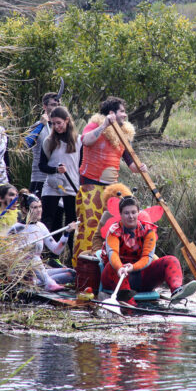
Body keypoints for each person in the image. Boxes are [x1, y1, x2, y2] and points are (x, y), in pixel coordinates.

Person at [73, 96, 147, 267]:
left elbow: (131, 164)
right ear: (112, 113)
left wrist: (140, 168)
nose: (125, 115)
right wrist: (105, 125)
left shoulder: (123, 135)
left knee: (112, 227)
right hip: (90, 186)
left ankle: (111, 264)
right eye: (122, 111)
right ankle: (82, 268)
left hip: (112, 190)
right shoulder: (94, 125)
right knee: (90, 229)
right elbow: (85, 140)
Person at [100, 196, 196, 306]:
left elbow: (147, 257)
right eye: (126, 213)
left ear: (138, 212)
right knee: (111, 267)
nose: (131, 216)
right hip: (117, 275)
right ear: (121, 215)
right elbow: (113, 254)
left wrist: (133, 267)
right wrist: (120, 268)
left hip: (140, 275)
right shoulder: (114, 231)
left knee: (171, 260)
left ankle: (177, 290)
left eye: (133, 212)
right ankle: (129, 304)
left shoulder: (148, 230)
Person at [7, 190, 76, 291]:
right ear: (24, 210)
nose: (39, 210)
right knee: (32, 257)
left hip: (38, 271)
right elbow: (6, 253)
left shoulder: (41, 226)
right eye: (34, 207)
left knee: (71, 273)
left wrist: (66, 233)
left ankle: (40, 283)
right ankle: (47, 283)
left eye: (40, 206)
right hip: (22, 272)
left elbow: (57, 250)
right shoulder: (16, 228)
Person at [38, 106, 81, 261]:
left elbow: (81, 165)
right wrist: (56, 170)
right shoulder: (48, 141)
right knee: (49, 221)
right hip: (52, 186)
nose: (57, 127)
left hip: (71, 187)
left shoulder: (79, 141)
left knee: (71, 223)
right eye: (54, 123)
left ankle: (72, 260)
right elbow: (42, 166)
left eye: (59, 123)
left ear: (67, 121)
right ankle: (48, 258)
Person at [25, 92, 61, 197]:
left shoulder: (61, 128)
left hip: (57, 179)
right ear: (45, 106)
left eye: (58, 105)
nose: (56, 108)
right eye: (53, 105)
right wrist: (41, 125)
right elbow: (27, 143)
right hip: (39, 179)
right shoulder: (37, 126)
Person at [90, 183, 132, 255]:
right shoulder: (107, 216)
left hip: (130, 253)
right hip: (107, 252)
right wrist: (97, 251)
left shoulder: (133, 215)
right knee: (83, 255)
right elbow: (98, 237)